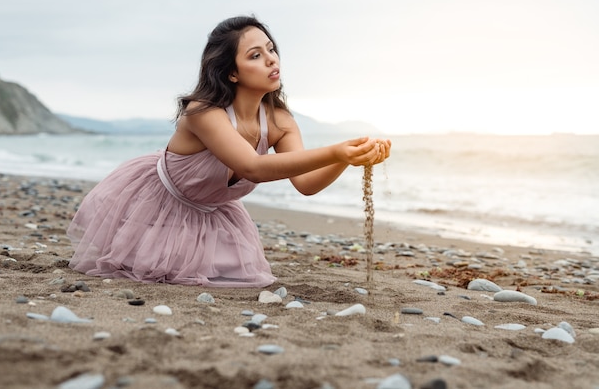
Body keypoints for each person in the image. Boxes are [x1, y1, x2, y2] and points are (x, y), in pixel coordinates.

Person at [67, 15, 391, 287]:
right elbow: (252, 167)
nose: (271, 59)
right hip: (159, 205)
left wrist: (351, 158)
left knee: (239, 280)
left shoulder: (280, 120)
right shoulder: (203, 112)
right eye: (255, 55)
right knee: (149, 272)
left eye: (271, 49)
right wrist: (336, 151)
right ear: (231, 73)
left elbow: (306, 184)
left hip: (215, 214)